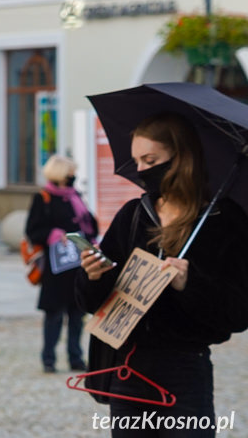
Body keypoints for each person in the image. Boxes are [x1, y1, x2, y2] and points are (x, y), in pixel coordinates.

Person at [76, 113, 248, 436]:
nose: (141, 170)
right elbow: (91, 302)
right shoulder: (133, 215)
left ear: (181, 157)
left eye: (150, 159)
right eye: (137, 160)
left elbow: (238, 312)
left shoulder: (223, 221)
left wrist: (190, 283)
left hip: (184, 373)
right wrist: (93, 277)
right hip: (128, 369)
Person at [25, 154, 98, 374]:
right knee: (54, 315)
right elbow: (32, 230)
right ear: (61, 174)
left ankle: (76, 358)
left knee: (77, 314)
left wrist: (90, 237)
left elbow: (90, 223)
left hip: (78, 265)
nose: (74, 176)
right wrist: (55, 234)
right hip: (56, 268)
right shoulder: (44, 198)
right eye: (70, 172)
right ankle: (49, 359)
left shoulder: (75, 196)